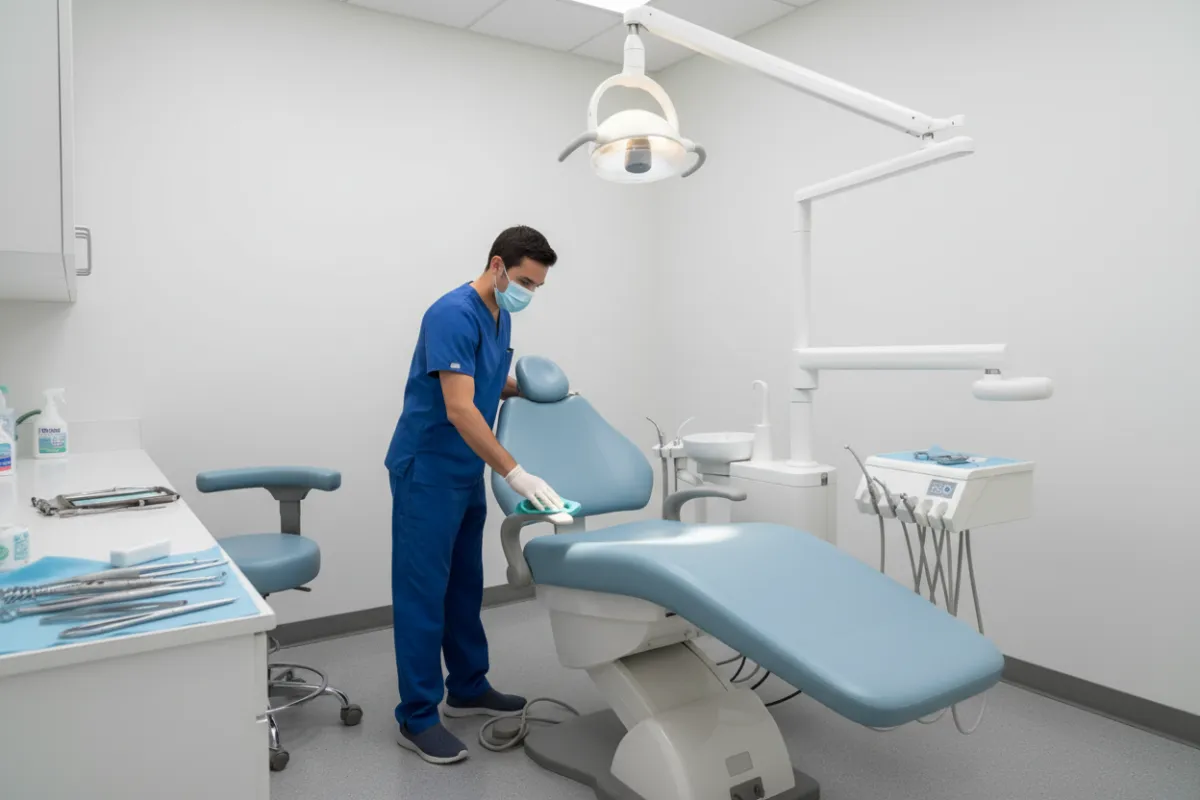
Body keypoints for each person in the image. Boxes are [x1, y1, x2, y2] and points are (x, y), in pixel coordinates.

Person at [385, 225, 565, 764]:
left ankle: (467, 685)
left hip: (465, 470)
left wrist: (524, 386)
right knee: (424, 592)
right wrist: (516, 473)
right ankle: (417, 716)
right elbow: (460, 406)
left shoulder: (499, 313)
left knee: (464, 584)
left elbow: (483, 381)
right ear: (497, 266)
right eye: (526, 281)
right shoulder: (451, 313)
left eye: (537, 286)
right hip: (428, 469)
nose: (528, 293)